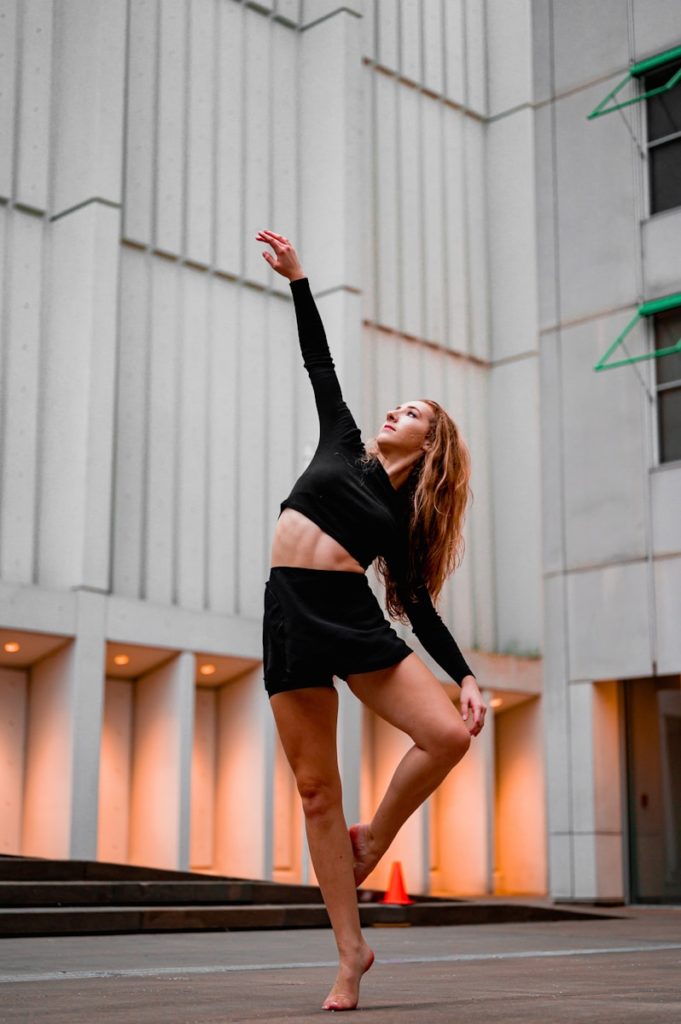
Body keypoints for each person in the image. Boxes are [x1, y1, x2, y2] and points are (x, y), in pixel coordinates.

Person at [256, 229, 486, 1012]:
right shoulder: (342, 441)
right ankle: (350, 953)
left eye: (412, 411)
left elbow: (416, 604)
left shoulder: (401, 520)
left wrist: (464, 676)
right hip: (289, 614)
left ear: (431, 444)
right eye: (397, 405)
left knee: (448, 735)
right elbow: (318, 362)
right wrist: (298, 280)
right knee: (316, 792)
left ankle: (378, 836)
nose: (395, 410)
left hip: (348, 618)